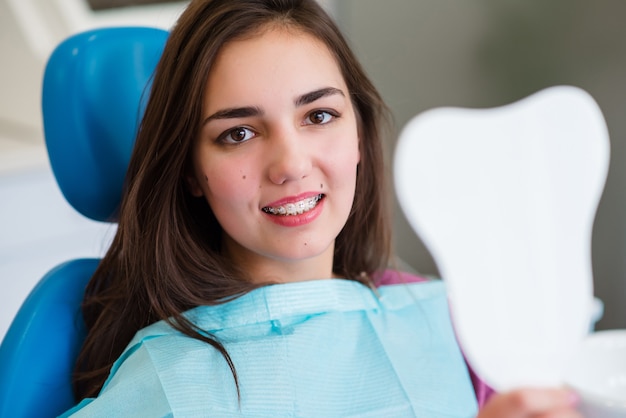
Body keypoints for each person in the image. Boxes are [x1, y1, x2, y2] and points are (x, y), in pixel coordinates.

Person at [62, 0, 581, 416]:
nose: (290, 163)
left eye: (319, 114)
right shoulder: (166, 385)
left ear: (358, 134)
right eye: (238, 133)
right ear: (192, 172)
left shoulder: (450, 321)